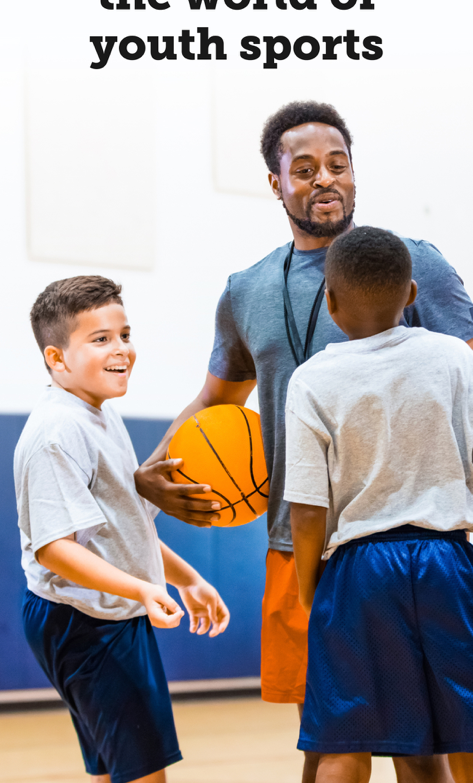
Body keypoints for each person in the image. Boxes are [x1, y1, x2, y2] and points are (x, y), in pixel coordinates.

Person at [133, 100, 473, 783]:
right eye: (306, 168)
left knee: (427, 745)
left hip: (413, 532)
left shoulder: (408, 263)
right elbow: (215, 401)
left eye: (338, 165)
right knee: (324, 740)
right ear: (276, 181)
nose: (325, 180)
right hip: (301, 542)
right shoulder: (246, 290)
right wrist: (150, 470)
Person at [14, 275, 230, 783]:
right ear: (56, 358)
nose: (121, 349)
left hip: (101, 613)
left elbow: (119, 530)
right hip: (84, 621)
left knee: (115, 766)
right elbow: (55, 550)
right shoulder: (57, 430)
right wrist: (142, 589)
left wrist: (187, 579)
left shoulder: (98, 413)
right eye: (100, 339)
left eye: (125, 335)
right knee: (143, 772)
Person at [286, 226, 473, 783]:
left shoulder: (311, 379)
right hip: (447, 559)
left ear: (330, 301)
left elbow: (306, 508)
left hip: (358, 570)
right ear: (412, 294)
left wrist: (310, 589)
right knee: (463, 728)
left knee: (346, 740)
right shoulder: (454, 358)